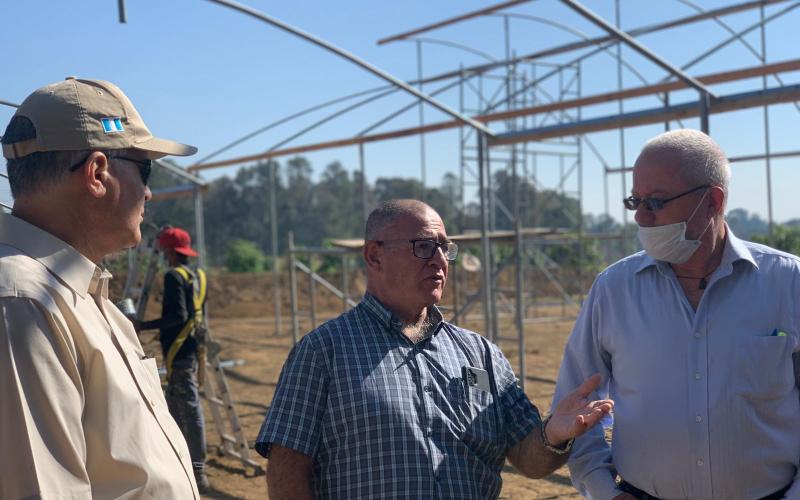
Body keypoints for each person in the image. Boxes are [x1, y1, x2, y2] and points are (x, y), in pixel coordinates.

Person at [256, 198, 614, 499]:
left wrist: (554, 434)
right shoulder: (323, 352)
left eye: (445, 248)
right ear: (374, 256)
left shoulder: (481, 355)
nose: (440, 260)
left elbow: (528, 458)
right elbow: (288, 468)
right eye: (424, 246)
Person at [552, 129, 800, 499]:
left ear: (712, 201)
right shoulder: (614, 289)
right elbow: (573, 407)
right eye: (635, 201)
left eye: (655, 202)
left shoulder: (787, 283)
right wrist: (603, 490)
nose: (641, 217)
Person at [0, 77, 200, 499]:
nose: (148, 192)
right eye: (144, 169)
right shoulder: (22, 303)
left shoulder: (81, 295)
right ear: (97, 173)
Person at [137, 226, 210, 492]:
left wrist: (142, 325)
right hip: (192, 349)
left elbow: (176, 318)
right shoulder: (198, 275)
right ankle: (180, 461)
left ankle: (198, 470)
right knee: (175, 406)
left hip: (179, 352)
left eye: (165, 251)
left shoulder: (173, 277)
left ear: (170, 251)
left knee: (188, 407)